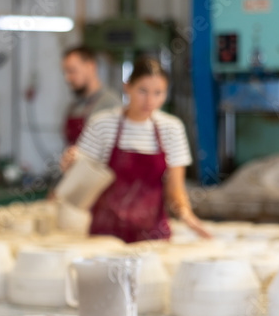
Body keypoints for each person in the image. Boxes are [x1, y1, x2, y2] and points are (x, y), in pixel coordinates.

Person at [61, 57, 210, 242]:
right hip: (106, 234)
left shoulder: (171, 128)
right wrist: (70, 166)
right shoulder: (103, 124)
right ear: (127, 86)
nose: (150, 100)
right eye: (142, 91)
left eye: (158, 93)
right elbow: (81, 175)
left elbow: (175, 187)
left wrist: (188, 216)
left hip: (152, 235)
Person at [61, 45, 122, 145]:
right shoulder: (74, 106)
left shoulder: (110, 103)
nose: (67, 78)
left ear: (91, 66)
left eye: (72, 71)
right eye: (65, 72)